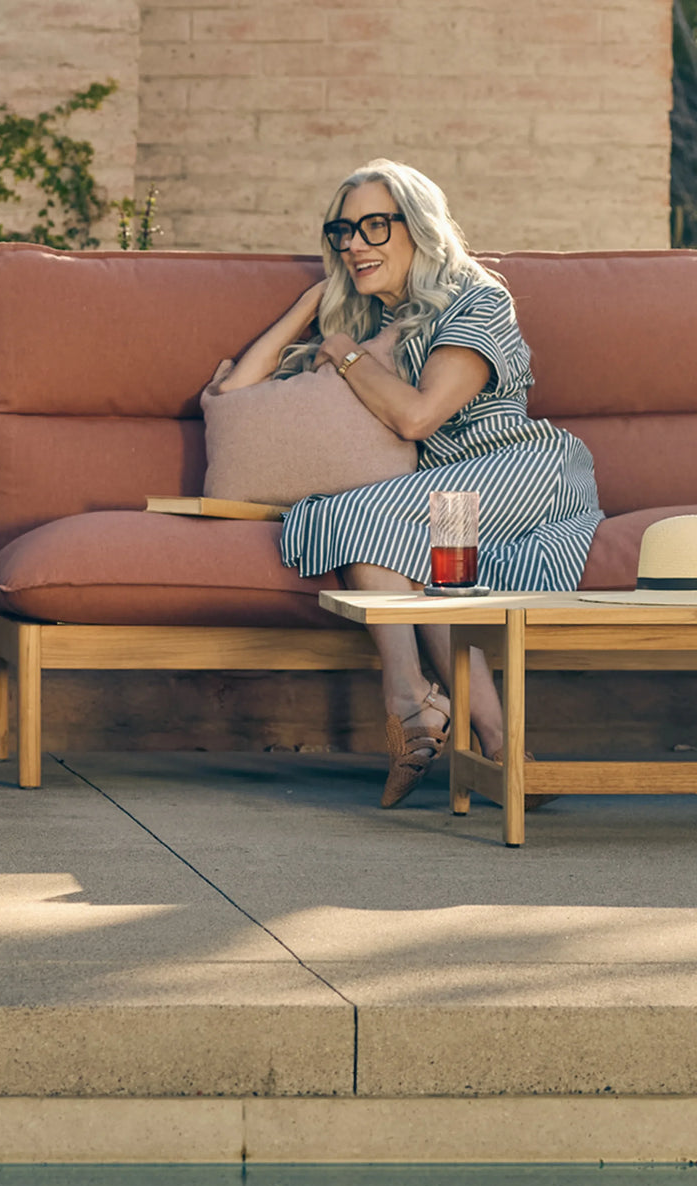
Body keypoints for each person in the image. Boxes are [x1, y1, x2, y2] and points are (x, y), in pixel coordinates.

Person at [216, 159, 602, 808]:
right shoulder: (367, 321)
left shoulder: (476, 299)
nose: (355, 245)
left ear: (418, 227)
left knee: (360, 515)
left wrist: (339, 353)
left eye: (374, 226)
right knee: (394, 539)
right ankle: (495, 742)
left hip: (523, 469)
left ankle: (409, 698)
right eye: (343, 231)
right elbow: (232, 395)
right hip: (439, 494)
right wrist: (309, 306)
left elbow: (419, 414)